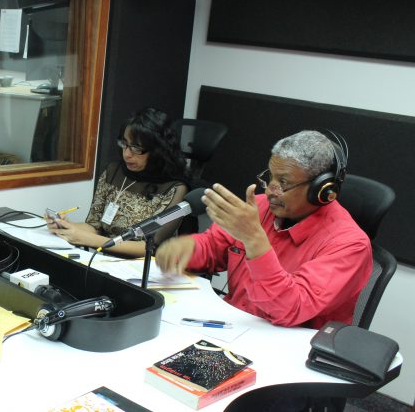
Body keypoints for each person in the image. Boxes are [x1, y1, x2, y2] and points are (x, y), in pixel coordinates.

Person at [156, 130, 371, 329]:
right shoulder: (259, 207)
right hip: (233, 327)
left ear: (321, 190)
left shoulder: (350, 245)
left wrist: (254, 241)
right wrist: (188, 248)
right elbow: (213, 247)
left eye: (283, 183)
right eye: (270, 177)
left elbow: (291, 308)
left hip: (286, 347)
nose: (269, 191)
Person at [47, 108, 188, 257]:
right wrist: (66, 227)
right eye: (124, 144)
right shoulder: (113, 172)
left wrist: (88, 239)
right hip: (105, 261)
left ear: (157, 151)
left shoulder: (175, 189)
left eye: (136, 148)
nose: (126, 154)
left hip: (142, 266)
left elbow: (150, 247)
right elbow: (94, 226)